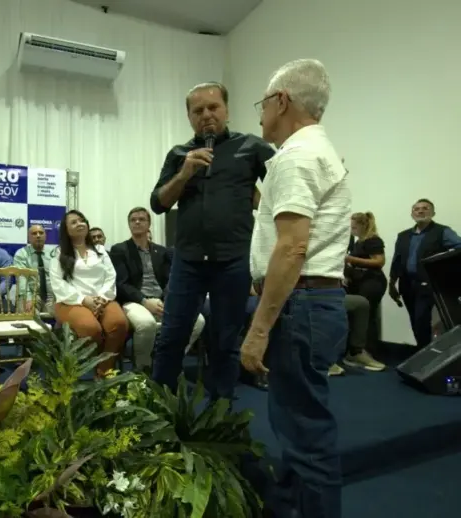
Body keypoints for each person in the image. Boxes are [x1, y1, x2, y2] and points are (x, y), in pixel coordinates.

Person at [241, 59, 350, 518]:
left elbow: (291, 248)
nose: (260, 113)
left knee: (306, 435)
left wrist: (259, 329)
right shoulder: (316, 150)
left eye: (262, 103)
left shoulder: (297, 155)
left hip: (298, 302)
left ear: (281, 100)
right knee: (297, 423)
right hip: (312, 301)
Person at [149, 80, 275, 398]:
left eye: (213, 107)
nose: (206, 115)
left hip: (233, 261)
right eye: (198, 110)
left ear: (227, 110)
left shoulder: (252, 148)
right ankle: (158, 413)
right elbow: (158, 203)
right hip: (188, 261)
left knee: (225, 340)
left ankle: (220, 420)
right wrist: (184, 173)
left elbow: (282, 191)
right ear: (189, 117)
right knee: (172, 336)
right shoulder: (179, 154)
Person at [110, 207, 204, 370]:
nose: (137, 222)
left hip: (162, 300)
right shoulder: (120, 250)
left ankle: (169, 359)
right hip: (135, 301)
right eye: (133, 220)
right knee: (146, 324)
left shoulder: (162, 251)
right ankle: (143, 368)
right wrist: (144, 301)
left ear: (149, 224)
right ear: (129, 225)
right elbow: (122, 283)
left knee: (198, 320)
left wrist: (167, 300)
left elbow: (172, 279)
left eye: (141, 219)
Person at [50, 210, 128, 376]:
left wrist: (101, 298)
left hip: (102, 299)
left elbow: (111, 275)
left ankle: (104, 371)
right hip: (70, 301)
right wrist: (84, 299)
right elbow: (58, 284)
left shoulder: (100, 250)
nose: (80, 224)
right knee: (91, 329)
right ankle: (96, 367)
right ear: (66, 230)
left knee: (119, 323)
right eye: (74, 222)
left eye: (82, 220)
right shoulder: (59, 254)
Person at [389, 199, 461, 348]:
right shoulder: (403, 236)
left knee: (422, 321)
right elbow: (396, 261)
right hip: (407, 285)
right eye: (416, 209)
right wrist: (391, 284)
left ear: (433, 213)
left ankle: (428, 357)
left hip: (429, 284)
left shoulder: (442, 232)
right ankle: (421, 353)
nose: (420, 211)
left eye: (425, 208)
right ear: (412, 213)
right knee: (415, 322)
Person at [343, 212, 386, 371]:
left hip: (372, 282)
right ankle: (357, 351)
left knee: (367, 316)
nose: (351, 230)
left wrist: (350, 259)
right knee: (361, 315)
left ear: (363, 225)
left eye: (354, 227)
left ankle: (366, 352)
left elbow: (379, 261)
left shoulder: (373, 240)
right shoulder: (358, 242)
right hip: (360, 282)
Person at [12, 224, 54, 313]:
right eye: (34, 233)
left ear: (45, 236)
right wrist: (28, 298)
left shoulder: (54, 253)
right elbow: (21, 278)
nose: (38, 235)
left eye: (41, 233)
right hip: (32, 294)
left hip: (52, 296)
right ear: (29, 238)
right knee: (25, 311)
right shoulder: (21, 254)